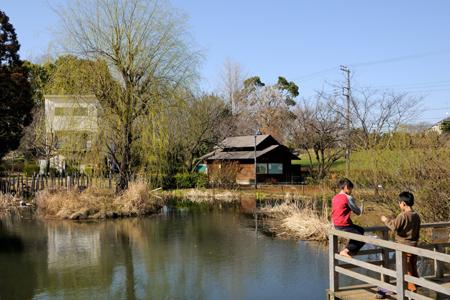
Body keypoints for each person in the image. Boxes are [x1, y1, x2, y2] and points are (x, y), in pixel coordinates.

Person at [376, 191, 421, 298]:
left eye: (399, 203)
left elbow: (394, 226)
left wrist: (385, 220)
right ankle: (412, 288)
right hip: (413, 246)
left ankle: (411, 290)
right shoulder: (416, 216)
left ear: (404, 204)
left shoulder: (403, 215)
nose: (399, 204)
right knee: (411, 267)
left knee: (406, 269)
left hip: (403, 247)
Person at [332, 178, 364, 257]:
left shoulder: (335, 197)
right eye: (351, 189)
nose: (351, 191)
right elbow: (358, 212)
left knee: (360, 230)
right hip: (344, 225)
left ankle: (349, 251)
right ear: (346, 187)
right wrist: (362, 205)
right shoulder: (348, 198)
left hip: (336, 225)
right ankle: (347, 251)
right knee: (362, 238)